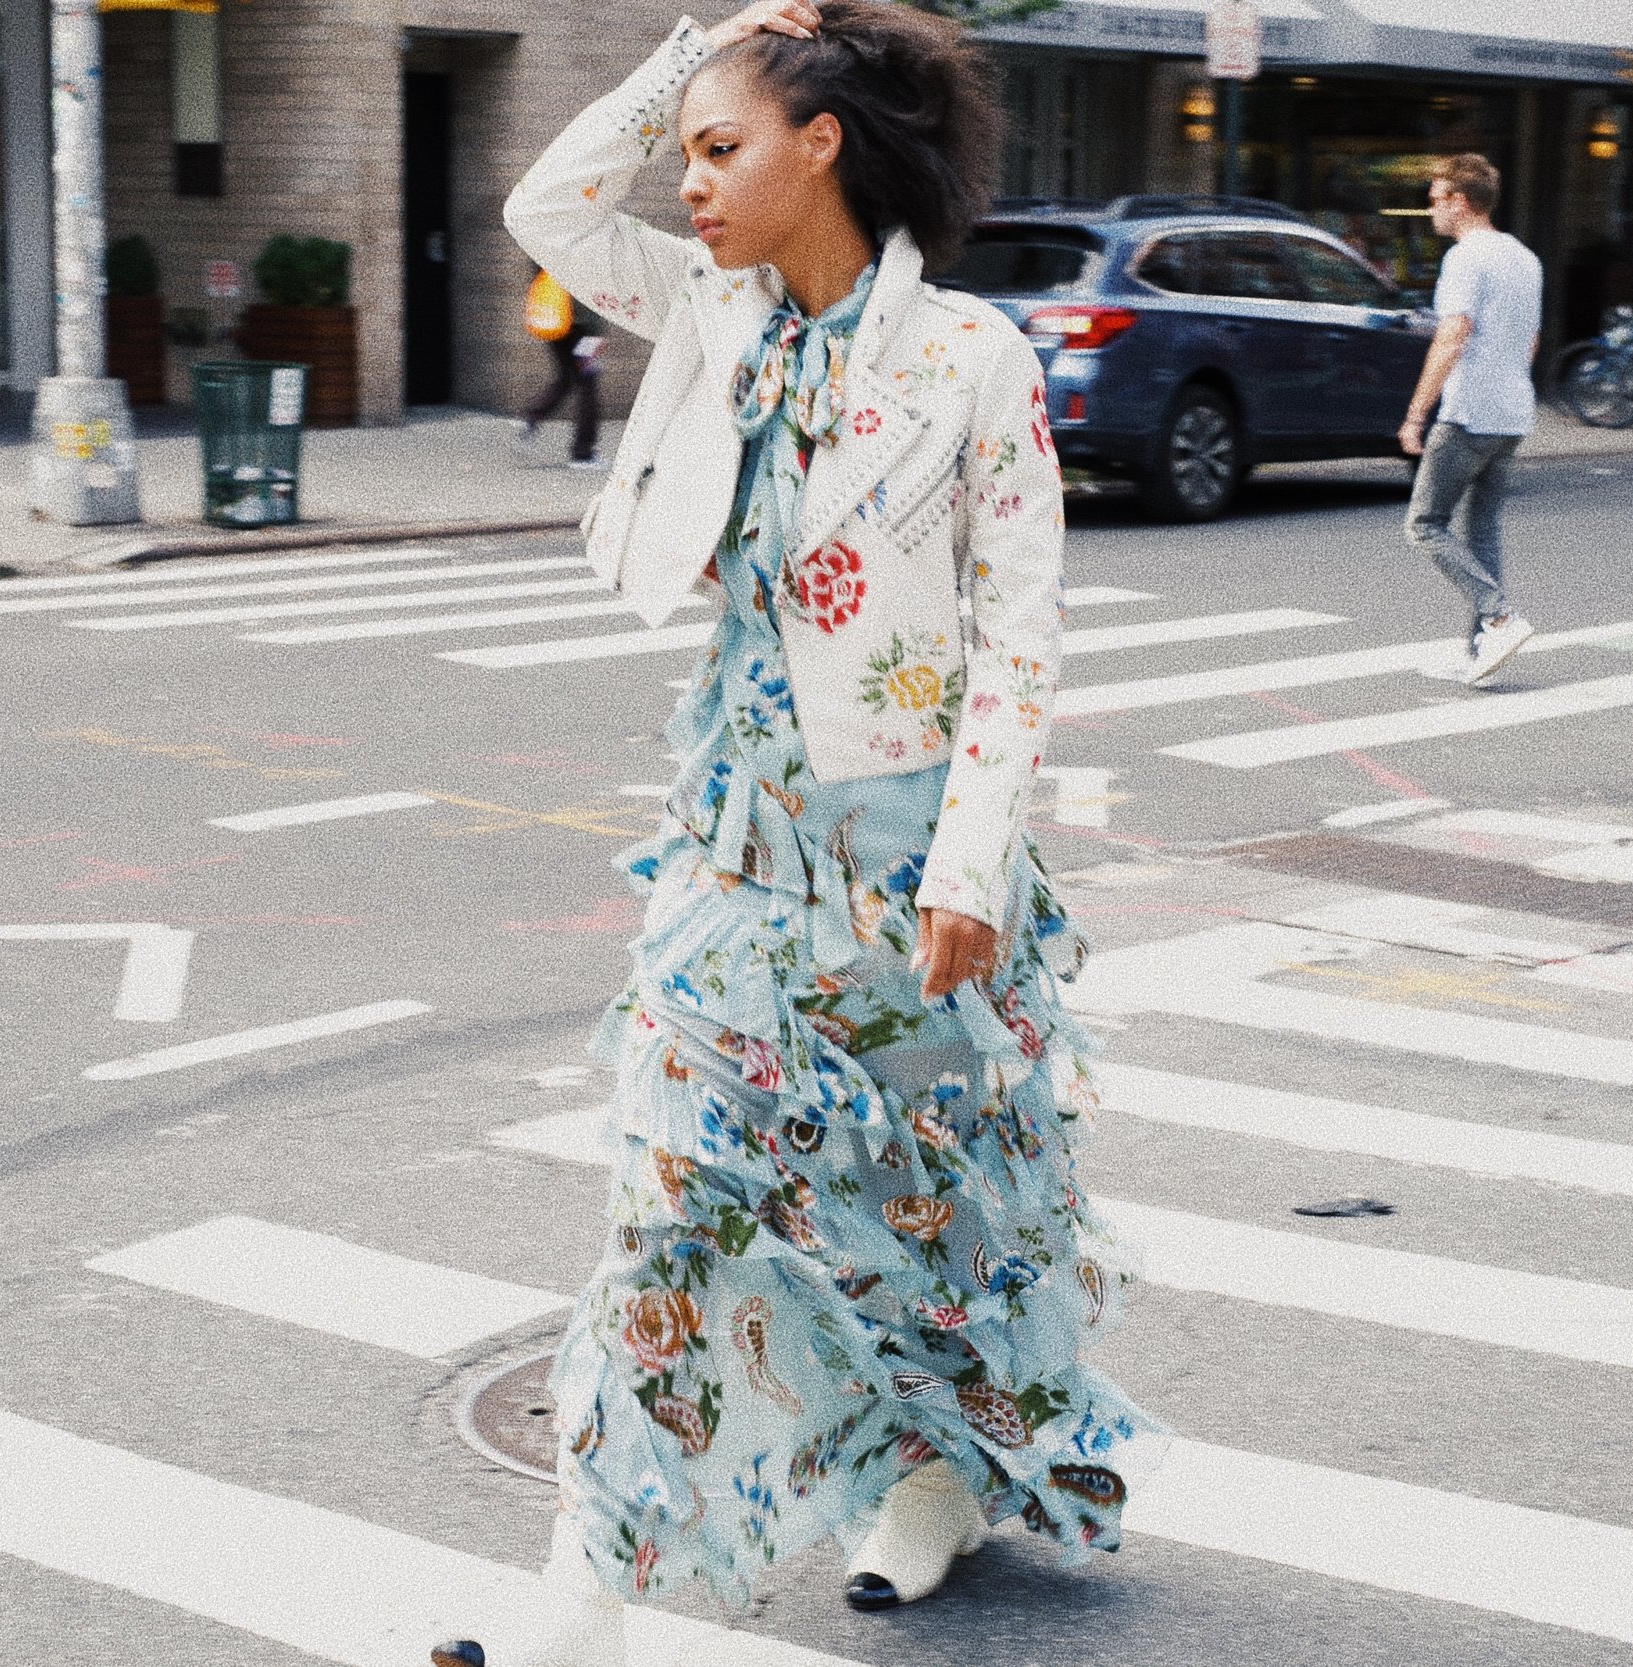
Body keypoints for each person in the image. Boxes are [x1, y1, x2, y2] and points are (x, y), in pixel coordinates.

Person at [438, 4, 1151, 1661]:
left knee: (923, 1219)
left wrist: (974, 861)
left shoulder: (971, 360)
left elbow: (1018, 630)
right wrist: (700, 46)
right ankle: (574, 1615)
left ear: (822, 145)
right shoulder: (710, 312)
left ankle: (932, 1485)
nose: (689, 184)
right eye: (684, 153)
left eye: (721, 146)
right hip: (727, 863)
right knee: (662, 1221)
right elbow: (548, 205)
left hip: (910, 874)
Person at [1399, 152, 1543, 687]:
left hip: (1468, 413)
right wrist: (1509, 388)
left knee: (1425, 525)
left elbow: (1451, 336)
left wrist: (1416, 414)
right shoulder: (1526, 258)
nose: (1430, 210)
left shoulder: (1464, 259)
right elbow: (1530, 339)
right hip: (1512, 411)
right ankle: (1481, 650)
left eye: (1435, 200)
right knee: (1481, 531)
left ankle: (1500, 617)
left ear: (1460, 202)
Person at [519, 266, 608, 470]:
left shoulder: (550, 237)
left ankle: (532, 416)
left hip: (555, 316)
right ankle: (583, 454)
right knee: (588, 384)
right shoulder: (587, 239)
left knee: (566, 378)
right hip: (584, 325)